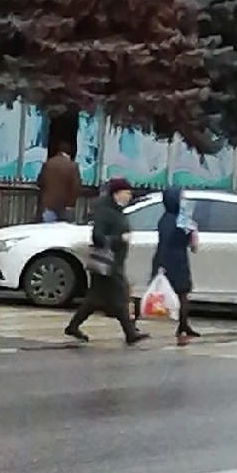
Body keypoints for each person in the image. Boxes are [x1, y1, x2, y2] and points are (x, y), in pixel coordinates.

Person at [65, 177, 148, 345]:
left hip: (113, 262)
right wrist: (120, 239)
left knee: (94, 300)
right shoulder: (105, 212)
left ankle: (73, 326)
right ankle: (130, 333)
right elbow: (97, 236)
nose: (129, 196)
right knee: (121, 296)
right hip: (108, 263)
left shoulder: (117, 211)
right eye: (126, 193)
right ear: (116, 193)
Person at [152, 185, 200, 345]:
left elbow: (189, 244)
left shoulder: (169, 218)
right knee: (180, 293)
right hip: (173, 260)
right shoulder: (175, 220)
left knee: (181, 293)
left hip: (174, 259)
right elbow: (170, 243)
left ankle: (183, 325)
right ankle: (183, 325)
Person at [38, 145, 82, 222]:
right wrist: (71, 203)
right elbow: (75, 186)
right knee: (64, 230)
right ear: (69, 154)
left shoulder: (48, 164)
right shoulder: (73, 166)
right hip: (65, 205)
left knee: (47, 230)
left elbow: (40, 182)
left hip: (48, 204)